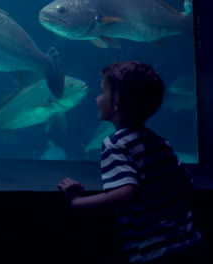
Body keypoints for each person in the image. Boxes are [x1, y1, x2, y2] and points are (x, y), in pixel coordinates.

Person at [58, 61, 203, 264]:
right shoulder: (161, 142)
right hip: (189, 241)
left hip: (154, 250)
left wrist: (77, 202)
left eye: (102, 92)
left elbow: (126, 193)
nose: (97, 98)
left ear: (116, 101)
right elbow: (186, 183)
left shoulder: (115, 143)